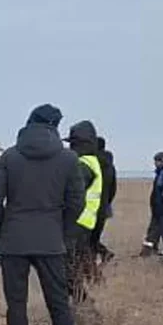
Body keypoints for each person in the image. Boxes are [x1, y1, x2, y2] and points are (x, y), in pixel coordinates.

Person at [0, 104, 82, 325]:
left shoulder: (10, 157)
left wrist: (3, 228)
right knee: (58, 302)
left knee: (16, 303)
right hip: (51, 238)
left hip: (14, 238)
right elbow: (77, 201)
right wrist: (63, 231)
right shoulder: (68, 159)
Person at [63, 121, 103, 315]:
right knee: (72, 269)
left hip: (76, 224)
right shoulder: (91, 162)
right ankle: (80, 307)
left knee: (67, 270)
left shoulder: (83, 165)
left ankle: (86, 309)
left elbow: (71, 193)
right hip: (84, 224)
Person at [92, 136, 117, 265]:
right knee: (95, 236)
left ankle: (100, 256)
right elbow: (113, 188)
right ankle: (103, 253)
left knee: (88, 238)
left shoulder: (92, 163)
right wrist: (107, 202)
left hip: (91, 206)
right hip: (104, 205)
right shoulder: (110, 165)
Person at [142, 151, 163, 257]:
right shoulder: (160, 173)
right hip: (157, 208)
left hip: (161, 209)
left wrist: (160, 207)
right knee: (154, 231)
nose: (155, 163)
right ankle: (148, 252)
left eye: (157, 161)